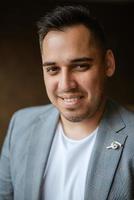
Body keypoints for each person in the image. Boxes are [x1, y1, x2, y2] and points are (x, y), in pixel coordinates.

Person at [0, 4, 134, 200]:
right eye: (53, 69)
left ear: (108, 64)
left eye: (80, 66)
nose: (66, 85)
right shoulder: (20, 124)